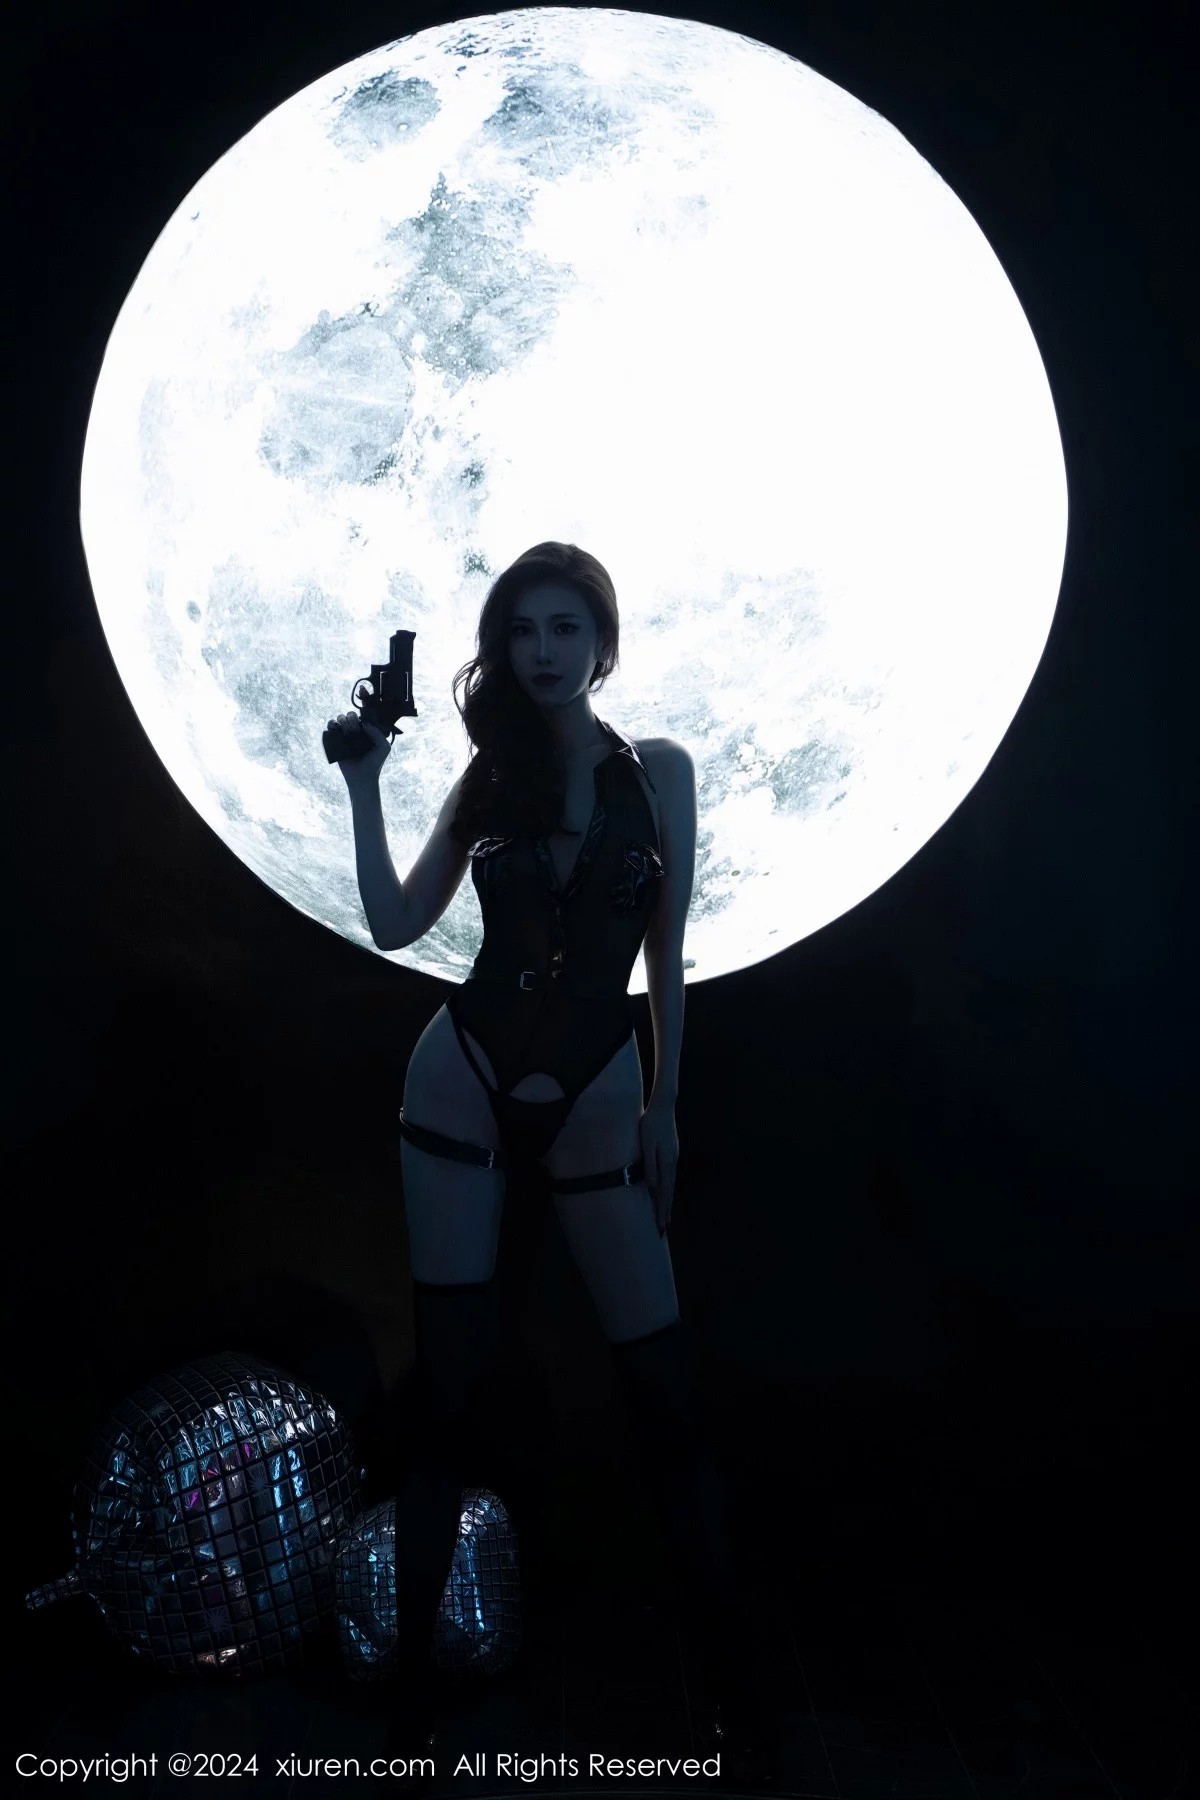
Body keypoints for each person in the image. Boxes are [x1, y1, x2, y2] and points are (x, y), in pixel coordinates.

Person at [329, 542, 770, 1770]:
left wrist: (664, 1108)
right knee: (448, 1397)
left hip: (600, 1091)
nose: (541, 652)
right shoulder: (489, 777)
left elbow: (665, 959)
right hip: (459, 1079)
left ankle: (737, 1697)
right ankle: (409, 1715)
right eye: (521, 631)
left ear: (603, 642)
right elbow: (394, 922)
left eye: (565, 628)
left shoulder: (659, 772)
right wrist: (364, 786)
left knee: (666, 1399)